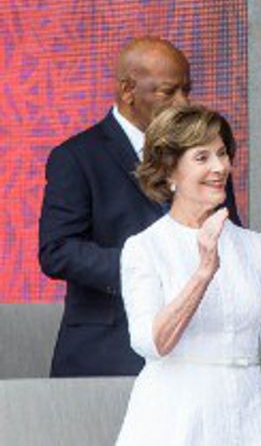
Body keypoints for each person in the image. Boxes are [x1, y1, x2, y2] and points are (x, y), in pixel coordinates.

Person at [39, 37, 240, 377]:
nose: (182, 102)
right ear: (128, 90)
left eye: (186, 90)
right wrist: (147, 267)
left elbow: (229, 235)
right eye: (168, 92)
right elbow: (58, 251)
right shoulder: (76, 157)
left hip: (199, 351)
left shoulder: (207, 160)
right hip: (108, 353)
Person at [115, 104, 261, 445]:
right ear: (169, 170)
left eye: (222, 154)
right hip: (175, 414)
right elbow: (152, 343)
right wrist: (204, 271)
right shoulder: (145, 247)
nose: (220, 167)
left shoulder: (255, 244)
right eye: (202, 157)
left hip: (250, 409)